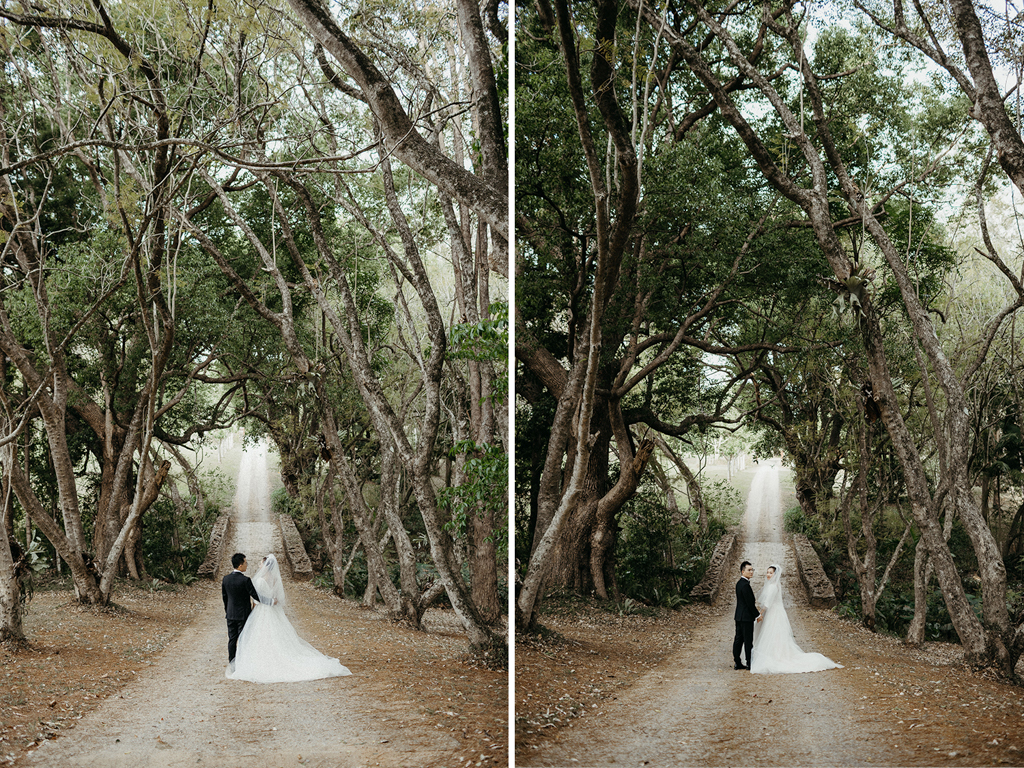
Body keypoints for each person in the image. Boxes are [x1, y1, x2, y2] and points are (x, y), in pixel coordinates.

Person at [226, 553, 352, 683]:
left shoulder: (258, 580)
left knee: (256, 636)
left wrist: (253, 609)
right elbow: (276, 597)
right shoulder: (274, 579)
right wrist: (272, 601)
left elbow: (256, 599)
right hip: (273, 611)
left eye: (261, 563)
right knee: (275, 636)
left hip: (261, 611)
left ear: (265, 566)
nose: (259, 565)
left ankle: (248, 662)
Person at [750, 563, 843, 674]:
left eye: (771, 573)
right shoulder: (776, 585)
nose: (768, 575)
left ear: (775, 574)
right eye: (767, 572)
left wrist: (760, 614)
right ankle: (777, 653)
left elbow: (767, 603)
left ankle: (776, 655)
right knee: (777, 634)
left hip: (773, 613)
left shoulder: (772, 586)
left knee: (772, 633)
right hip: (777, 612)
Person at [222, 552, 263, 671]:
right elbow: (256, 596)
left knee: (232, 639)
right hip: (243, 614)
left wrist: (228, 611)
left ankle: (232, 663)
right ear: (240, 565)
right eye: (245, 563)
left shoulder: (226, 579)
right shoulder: (245, 580)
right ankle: (242, 662)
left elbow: (225, 598)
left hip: (230, 614)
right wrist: (270, 601)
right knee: (243, 639)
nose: (247, 565)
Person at [733, 560, 760, 670]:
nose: (751, 572)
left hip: (739, 616)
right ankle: (749, 662)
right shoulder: (745, 585)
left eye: (752, 570)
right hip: (746, 618)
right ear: (743, 571)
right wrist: (757, 615)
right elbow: (750, 603)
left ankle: (737, 662)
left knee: (738, 640)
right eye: (749, 570)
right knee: (748, 640)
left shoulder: (739, 583)